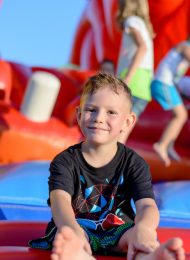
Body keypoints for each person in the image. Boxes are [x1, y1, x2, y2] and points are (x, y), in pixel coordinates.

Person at [29, 73, 185, 260]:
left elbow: (147, 205)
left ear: (127, 122)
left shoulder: (133, 162)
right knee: (67, 238)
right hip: (78, 228)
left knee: (137, 237)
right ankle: (79, 255)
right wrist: (71, 228)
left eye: (111, 112)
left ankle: (149, 257)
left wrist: (144, 228)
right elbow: (59, 201)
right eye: (91, 110)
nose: (99, 118)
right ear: (78, 115)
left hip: (118, 231)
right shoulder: (65, 161)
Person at [116, 0, 155, 143]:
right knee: (121, 134)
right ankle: (117, 164)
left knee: (114, 131)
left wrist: (127, 78)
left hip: (133, 79)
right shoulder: (144, 25)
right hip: (143, 85)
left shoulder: (131, 21)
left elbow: (142, 47)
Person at [151, 41, 190, 167]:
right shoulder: (185, 46)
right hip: (163, 83)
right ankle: (162, 145)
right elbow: (186, 53)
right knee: (181, 115)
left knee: (178, 116)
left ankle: (168, 146)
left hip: (168, 85)